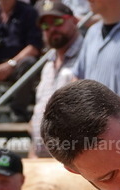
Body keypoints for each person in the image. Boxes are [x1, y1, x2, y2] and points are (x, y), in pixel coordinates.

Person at [0, 0, 43, 122]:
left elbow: (34, 47)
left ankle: (18, 111)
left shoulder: (29, 13)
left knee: (29, 63)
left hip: (18, 64)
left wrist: (11, 63)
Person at [30, 0, 83, 158]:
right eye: (45, 26)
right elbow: (38, 112)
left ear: (74, 21)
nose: (52, 29)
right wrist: (33, 155)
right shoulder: (48, 64)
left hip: (73, 158)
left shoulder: (88, 55)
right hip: (42, 158)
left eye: (58, 21)